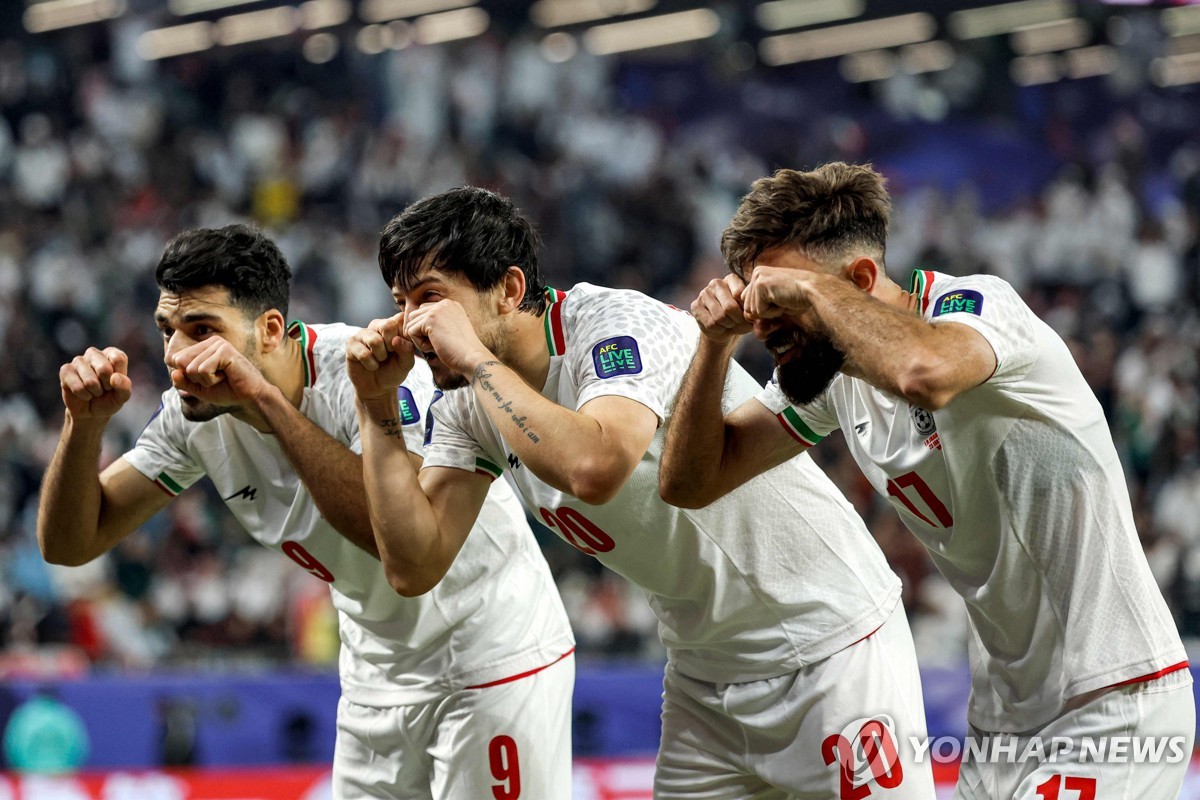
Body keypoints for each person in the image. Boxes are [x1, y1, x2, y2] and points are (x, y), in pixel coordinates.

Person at [346, 186, 937, 799]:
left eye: (432, 299)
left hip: (830, 644)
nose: (414, 325)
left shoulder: (617, 324)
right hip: (703, 678)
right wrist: (375, 404)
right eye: (403, 303)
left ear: (510, 289)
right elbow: (414, 563)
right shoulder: (468, 404)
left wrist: (472, 359)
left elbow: (596, 467)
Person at [659, 162, 1193, 800]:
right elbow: (692, 482)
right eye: (758, 302)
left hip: (1114, 694)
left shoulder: (975, 309)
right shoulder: (833, 376)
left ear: (857, 280)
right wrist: (714, 345)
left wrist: (814, 296)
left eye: (782, 301)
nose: (766, 323)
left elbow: (925, 372)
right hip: (1002, 722)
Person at [37, 224, 575, 799]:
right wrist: (83, 425)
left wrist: (262, 401)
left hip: (492, 654)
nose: (175, 356)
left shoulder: (373, 372)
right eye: (167, 331)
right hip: (377, 675)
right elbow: (71, 544)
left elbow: (391, 537)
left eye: (201, 330)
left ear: (270, 330)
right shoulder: (192, 419)